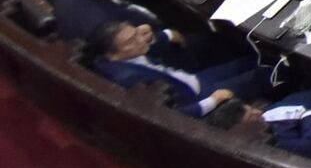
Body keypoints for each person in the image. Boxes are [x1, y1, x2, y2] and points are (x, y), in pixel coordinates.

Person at [88, 21, 264, 118]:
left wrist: (157, 35)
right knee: (264, 75)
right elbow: (171, 114)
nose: (140, 40)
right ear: (113, 54)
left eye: (136, 34)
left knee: (252, 60)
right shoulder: (131, 80)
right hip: (198, 98)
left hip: (190, 81)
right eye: (130, 41)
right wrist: (214, 100)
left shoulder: (113, 57)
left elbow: (146, 44)